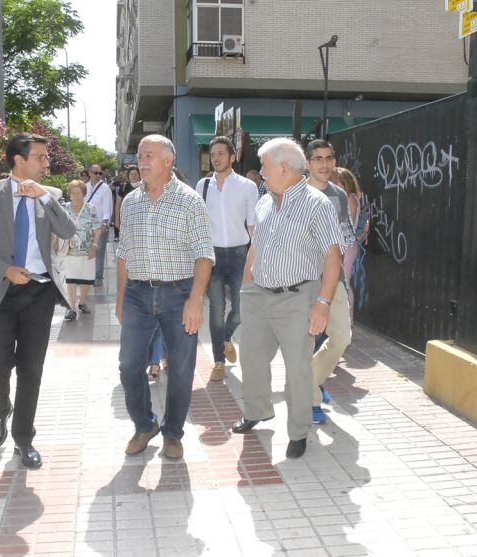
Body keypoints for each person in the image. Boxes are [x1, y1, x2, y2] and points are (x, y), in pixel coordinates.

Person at [0, 133, 75, 469]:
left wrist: (45, 197)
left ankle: (24, 438)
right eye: (40, 157)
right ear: (19, 159)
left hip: (38, 293)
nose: (46, 163)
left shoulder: (50, 195)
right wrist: (5, 270)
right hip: (0, 292)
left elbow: (69, 231)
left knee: (31, 368)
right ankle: (1, 411)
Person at [232, 138, 343, 459]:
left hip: (297, 298)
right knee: (251, 360)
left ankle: (298, 432)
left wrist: (322, 303)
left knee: (296, 369)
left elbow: (333, 257)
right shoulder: (265, 201)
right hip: (257, 296)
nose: (261, 173)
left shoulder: (316, 204)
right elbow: (256, 247)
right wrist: (245, 287)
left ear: (283, 168)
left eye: (264, 166)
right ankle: (257, 411)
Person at [116, 134, 214, 460]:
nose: (141, 161)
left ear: (168, 161)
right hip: (138, 295)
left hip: (179, 294)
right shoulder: (130, 201)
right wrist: (120, 299)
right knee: (129, 366)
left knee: (182, 369)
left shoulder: (189, 201)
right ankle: (144, 424)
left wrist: (196, 300)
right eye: (140, 156)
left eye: (149, 155)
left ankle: (173, 432)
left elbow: (204, 254)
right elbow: (123, 254)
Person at [195, 137, 258, 382]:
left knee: (241, 310)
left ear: (233, 156)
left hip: (241, 254)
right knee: (216, 310)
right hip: (212, 256)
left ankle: (225, 337)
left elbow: (253, 225)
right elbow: (198, 223)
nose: (216, 158)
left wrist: (259, 254)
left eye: (221, 153)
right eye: (213, 154)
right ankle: (218, 360)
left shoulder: (247, 187)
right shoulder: (202, 186)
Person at [305, 140, 355, 424]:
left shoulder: (337, 196)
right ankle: (310, 399)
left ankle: (314, 379)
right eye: (318, 159)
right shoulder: (294, 194)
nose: (324, 164)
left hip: (332, 278)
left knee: (341, 338)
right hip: (301, 281)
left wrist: (342, 279)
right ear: (308, 163)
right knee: (304, 343)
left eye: (328, 158)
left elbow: (344, 239)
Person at [58, 179, 101, 321]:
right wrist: (55, 242)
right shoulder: (64, 208)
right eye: (73, 193)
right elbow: (57, 227)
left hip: (87, 250)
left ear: (84, 194)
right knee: (70, 279)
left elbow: (96, 229)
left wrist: (95, 246)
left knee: (86, 278)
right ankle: (71, 308)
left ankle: (82, 303)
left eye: (79, 193)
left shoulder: (90, 208)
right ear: (69, 194)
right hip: (69, 251)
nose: (76, 196)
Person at [334, 167, 365, 322]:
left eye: (339, 182)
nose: (336, 185)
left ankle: (348, 320)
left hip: (346, 244)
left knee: (344, 283)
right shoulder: (343, 198)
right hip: (341, 244)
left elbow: (348, 223)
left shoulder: (350, 198)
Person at [84, 164, 113, 286]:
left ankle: (98, 277)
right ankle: (88, 275)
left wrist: (105, 222)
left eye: (100, 173)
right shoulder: (84, 187)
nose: (98, 175)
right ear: (89, 173)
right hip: (86, 225)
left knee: (99, 251)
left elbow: (108, 207)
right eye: (95, 173)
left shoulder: (105, 188)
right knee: (87, 251)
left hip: (100, 225)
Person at [114, 167, 138, 235]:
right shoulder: (124, 187)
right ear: (128, 176)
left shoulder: (144, 186)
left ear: (139, 175)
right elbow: (118, 204)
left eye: (136, 174)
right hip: (127, 218)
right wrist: (117, 220)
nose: (134, 176)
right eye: (132, 174)